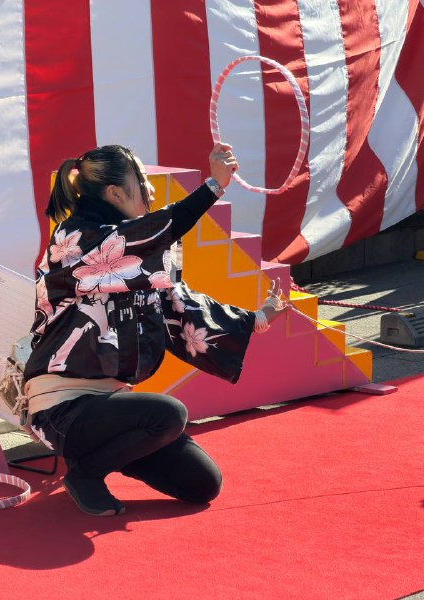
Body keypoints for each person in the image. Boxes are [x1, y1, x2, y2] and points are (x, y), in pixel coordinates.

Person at [21, 143, 287, 516]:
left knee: (201, 484)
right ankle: (86, 472)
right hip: (62, 410)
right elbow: (150, 234)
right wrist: (213, 187)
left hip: (107, 406)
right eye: (142, 182)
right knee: (168, 414)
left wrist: (259, 318)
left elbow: (181, 303)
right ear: (115, 193)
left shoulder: (135, 262)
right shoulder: (76, 241)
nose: (149, 191)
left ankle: (111, 451)